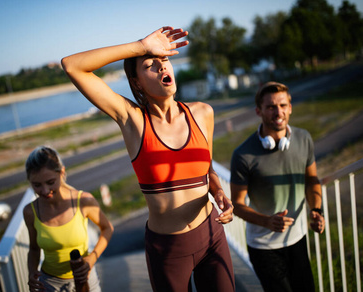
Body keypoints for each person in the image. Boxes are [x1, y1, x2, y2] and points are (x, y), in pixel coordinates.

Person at [61, 26, 235, 292]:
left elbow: (207, 169)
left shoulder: (202, 113)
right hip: (168, 250)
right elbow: (72, 65)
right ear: (136, 82)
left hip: (212, 236)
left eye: (164, 61)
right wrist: (141, 46)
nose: (162, 67)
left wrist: (219, 191)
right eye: (150, 65)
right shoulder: (133, 121)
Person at [230, 81, 325, 292]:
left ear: (290, 108)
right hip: (263, 247)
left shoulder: (304, 138)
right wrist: (267, 221)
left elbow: (311, 180)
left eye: (283, 105)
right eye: (271, 106)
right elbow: (236, 205)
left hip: (298, 238)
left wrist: (316, 210)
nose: (278, 111)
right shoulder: (243, 154)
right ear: (259, 111)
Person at [23, 146, 113, 292]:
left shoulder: (83, 201)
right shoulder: (30, 211)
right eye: (37, 185)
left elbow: (107, 228)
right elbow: (34, 248)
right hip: (50, 284)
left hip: (86, 280)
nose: (45, 191)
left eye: (51, 182)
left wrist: (91, 259)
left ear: (62, 172)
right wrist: (32, 272)